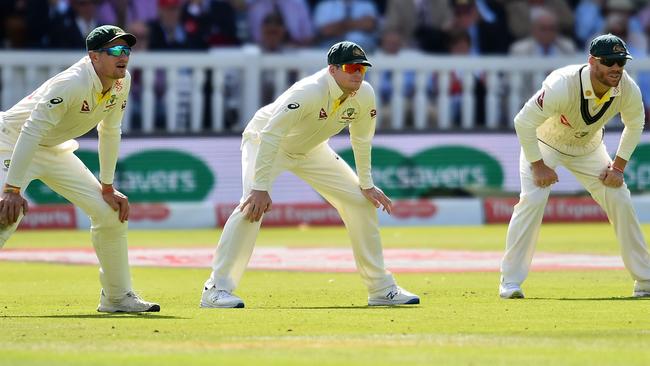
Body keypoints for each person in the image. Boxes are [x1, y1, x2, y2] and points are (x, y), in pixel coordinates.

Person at [200, 41, 420, 308]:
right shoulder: (308, 92)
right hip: (267, 142)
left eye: (362, 69)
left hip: (312, 149)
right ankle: (216, 290)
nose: (357, 74)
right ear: (333, 70)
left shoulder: (364, 94)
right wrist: (259, 187)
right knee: (251, 207)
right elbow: (271, 134)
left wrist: (367, 184)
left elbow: (361, 139)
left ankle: (381, 289)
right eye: (351, 67)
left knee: (361, 202)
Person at [0, 25, 160, 313]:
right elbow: (30, 132)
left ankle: (117, 297)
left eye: (126, 50)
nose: (122, 56)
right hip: (11, 141)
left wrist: (108, 187)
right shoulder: (72, 83)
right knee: (5, 215)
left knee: (109, 212)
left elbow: (110, 131)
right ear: (94, 57)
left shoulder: (122, 82)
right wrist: (11, 189)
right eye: (114, 50)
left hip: (53, 147)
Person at [499, 34, 650, 299]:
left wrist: (618, 167)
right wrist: (538, 165)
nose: (616, 68)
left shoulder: (626, 87)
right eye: (610, 62)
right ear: (592, 61)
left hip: (588, 149)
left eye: (621, 62)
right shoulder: (563, 85)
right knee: (532, 201)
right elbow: (523, 122)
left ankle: (645, 280)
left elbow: (635, 123)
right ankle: (510, 282)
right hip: (544, 144)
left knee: (620, 198)